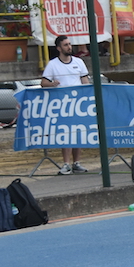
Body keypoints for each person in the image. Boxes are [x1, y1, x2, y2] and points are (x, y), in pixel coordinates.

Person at [41, 35, 89, 174]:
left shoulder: (79, 62)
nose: (69, 47)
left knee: (78, 132)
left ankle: (77, 163)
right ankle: (66, 163)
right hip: (63, 105)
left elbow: (85, 82)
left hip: (78, 104)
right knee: (66, 133)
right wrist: (52, 84)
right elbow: (43, 83)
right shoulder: (53, 64)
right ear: (59, 48)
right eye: (66, 45)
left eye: (69, 44)